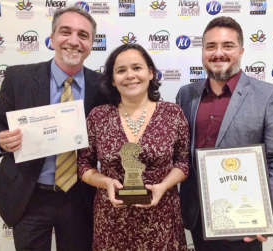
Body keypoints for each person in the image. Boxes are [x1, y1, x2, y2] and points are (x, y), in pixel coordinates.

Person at [0, 6, 106, 251]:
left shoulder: (103, 87)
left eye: (83, 35)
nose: (74, 41)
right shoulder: (18, 78)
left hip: (80, 197)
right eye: (66, 32)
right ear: (52, 38)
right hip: (29, 195)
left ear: (91, 44)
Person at [177, 16, 273, 251]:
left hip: (245, 220)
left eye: (227, 46)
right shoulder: (186, 95)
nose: (218, 53)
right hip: (197, 216)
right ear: (202, 52)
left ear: (241, 50)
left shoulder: (268, 96)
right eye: (211, 46)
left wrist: (267, 205)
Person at [78, 43, 190, 250]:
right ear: (113, 80)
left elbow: (183, 163)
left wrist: (163, 186)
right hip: (112, 220)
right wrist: (106, 183)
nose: (130, 75)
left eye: (136, 68)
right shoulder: (98, 116)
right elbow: (84, 165)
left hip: (162, 219)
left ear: (150, 73)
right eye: (121, 70)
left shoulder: (173, 114)